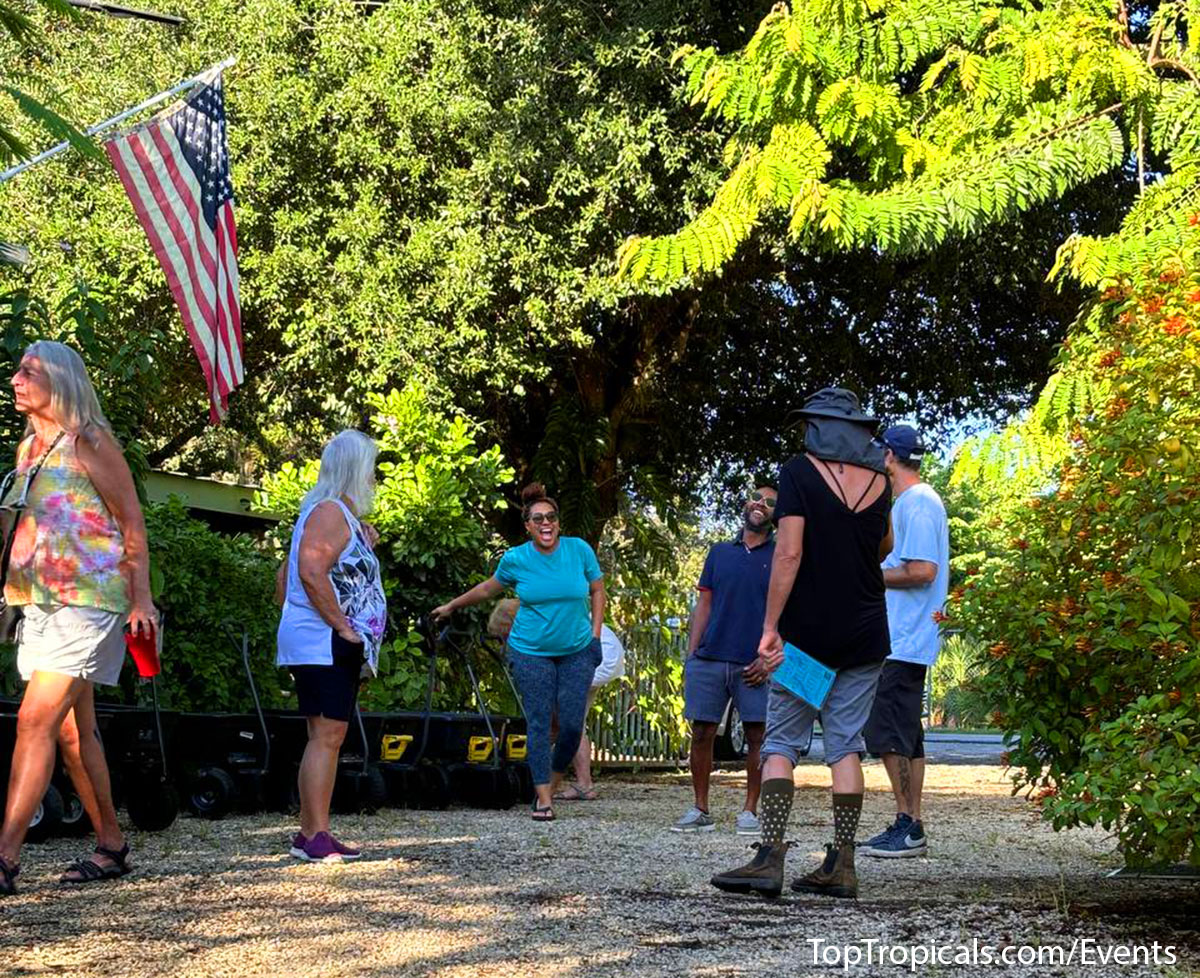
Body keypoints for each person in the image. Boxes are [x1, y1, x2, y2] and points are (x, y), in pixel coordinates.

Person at [711, 387, 893, 900]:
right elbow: (886, 545)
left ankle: (768, 860)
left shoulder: (797, 472)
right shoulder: (880, 480)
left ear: (816, 427)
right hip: (864, 632)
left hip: (808, 635)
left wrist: (771, 630)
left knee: (781, 744)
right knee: (844, 746)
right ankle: (843, 864)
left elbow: (788, 554)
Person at [0, 341, 156, 896]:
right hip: (38, 601)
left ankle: (5, 857)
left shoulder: (89, 440)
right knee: (70, 731)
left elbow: (131, 521)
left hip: (88, 601)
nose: (16, 379)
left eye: (28, 371)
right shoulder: (29, 450)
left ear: (60, 382)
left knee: (33, 720)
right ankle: (111, 844)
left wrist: (142, 600)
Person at [433, 483, 605, 821]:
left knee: (571, 726)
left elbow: (598, 590)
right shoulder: (516, 559)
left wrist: (595, 637)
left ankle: (552, 782)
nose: (546, 523)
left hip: (577, 650)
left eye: (551, 517)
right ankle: (543, 798)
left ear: (558, 521)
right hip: (530, 651)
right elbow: (488, 588)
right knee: (540, 723)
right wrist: (452, 605)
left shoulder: (579, 550)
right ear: (527, 526)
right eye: (538, 518)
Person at [276, 429, 386, 864]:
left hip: (319, 639)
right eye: (371, 468)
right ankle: (315, 833)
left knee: (324, 735)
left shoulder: (329, 512)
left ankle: (313, 831)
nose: (374, 477)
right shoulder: (328, 513)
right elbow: (308, 572)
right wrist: (343, 627)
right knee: (328, 735)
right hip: (325, 639)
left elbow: (285, 577)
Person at [860, 425, 949, 858]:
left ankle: (907, 822)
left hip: (902, 640)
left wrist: (866, 577)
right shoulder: (911, 503)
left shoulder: (917, 504)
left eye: (880, 451)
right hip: (903, 639)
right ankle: (910, 823)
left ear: (891, 456)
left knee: (886, 733)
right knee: (907, 734)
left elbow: (922, 571)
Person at [673, 486, 776, 835]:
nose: (760, 504)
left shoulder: (782, 557)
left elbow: (789, 612)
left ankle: (750, 810)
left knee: (757, 737)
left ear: (776, 515)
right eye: (756, 498)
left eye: (770, 502)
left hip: (754, 663)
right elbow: (704, 604)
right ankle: (700, 808)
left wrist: (772, 657)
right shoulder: (718, 553)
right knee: (702, 733)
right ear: (746, 504)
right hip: (711, 658)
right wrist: (692, 655)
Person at [489, 598, 624, 801]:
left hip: (595, 653)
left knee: (563, 720)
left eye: (505, 635)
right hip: (603, 651)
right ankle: (581, 783)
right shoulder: (542, 614)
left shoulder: (539, 623)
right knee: (571, 720)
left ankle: (562, 781)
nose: (506, 640)